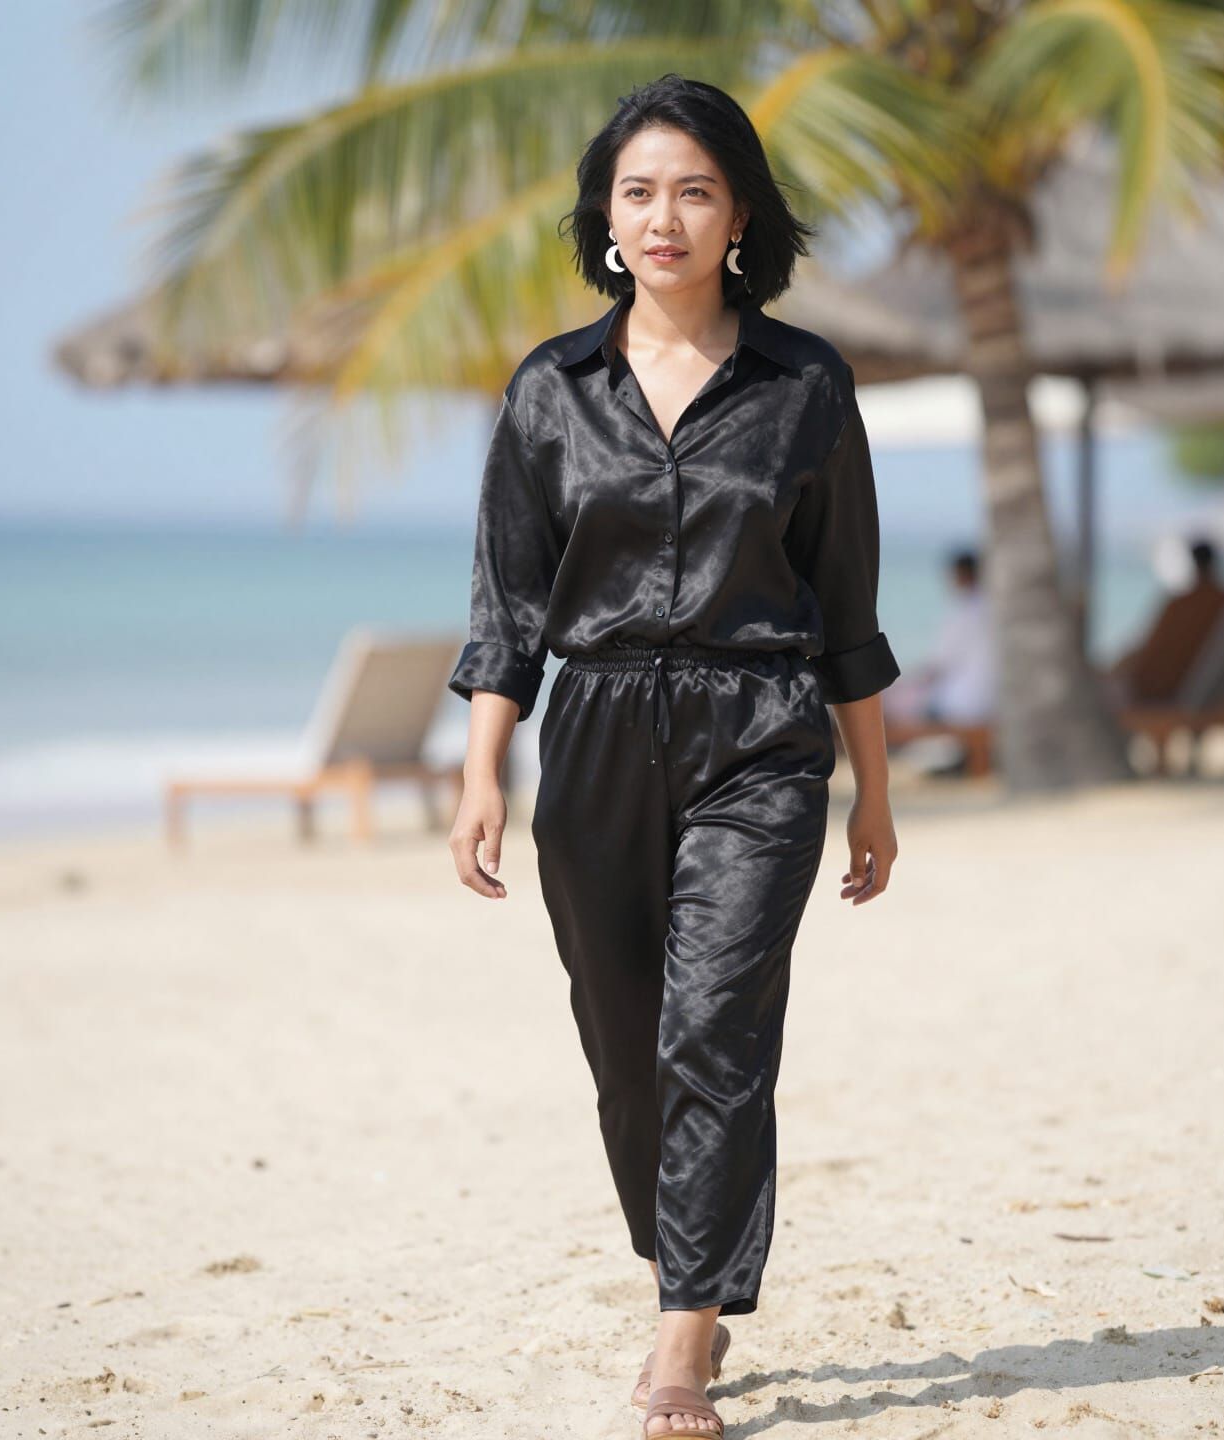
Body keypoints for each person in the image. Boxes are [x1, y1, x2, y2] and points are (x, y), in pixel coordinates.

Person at [446, 75, 901, 1440]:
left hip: (761, 733)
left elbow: (847, 599)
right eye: (638, 191)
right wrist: (481, 770)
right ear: (604, 217)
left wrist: (875, 787)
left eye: (695, 190)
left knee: (717, 1030)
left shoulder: (806, 383)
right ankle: (686, 1254)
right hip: (591, 734)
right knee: (624, 1038)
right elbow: (508, 605)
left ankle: (682, 1341)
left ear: (740, 214)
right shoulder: (551, 390)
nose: (664, 216)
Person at [1106, 537, 1224, 705]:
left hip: (1160, 688)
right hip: (1193, 682)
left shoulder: (1184, 605)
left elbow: (1155, 647)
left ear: (1193, 562)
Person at [883, 548, 995, 727]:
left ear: (961, 575)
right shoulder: (992, 607)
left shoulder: (964, 611)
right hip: (990, 701)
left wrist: (901, 688)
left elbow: (937, 667)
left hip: (961, 705)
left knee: (888, 704)